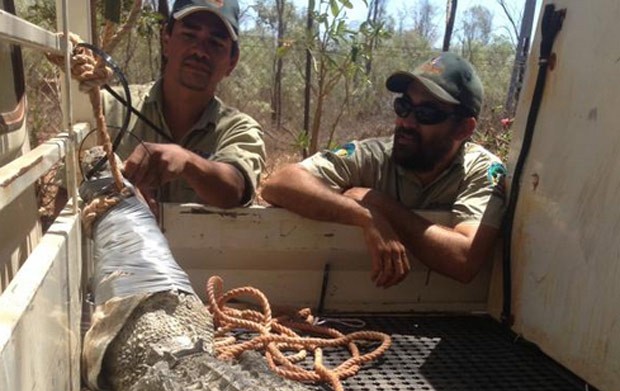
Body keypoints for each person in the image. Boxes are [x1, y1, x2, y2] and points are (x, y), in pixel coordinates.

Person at [261, 52, 506, 288]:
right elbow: (279, 184)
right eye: (403, 106)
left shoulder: (482, 170)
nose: (406, 122)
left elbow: (463, 260)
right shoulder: (372, 155)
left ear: (463, 129)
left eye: (426, 113)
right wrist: (365, 216)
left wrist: (381, 205)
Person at [102, 0, 265, 210]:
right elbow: (66, 199)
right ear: (166, 39)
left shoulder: (238, 129)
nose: (200, 52)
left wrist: (188, 163)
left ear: (232, 62)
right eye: (189, 35)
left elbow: (234, 188)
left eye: (215, 43)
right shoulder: (110, 109)